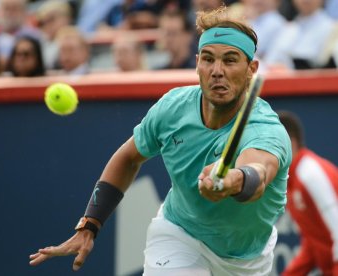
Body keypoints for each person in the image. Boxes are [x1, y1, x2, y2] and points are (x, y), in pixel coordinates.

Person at [29, 6, 292, 275]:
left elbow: (258, 174)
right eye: (209, 59)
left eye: (230, 60)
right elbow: (128, 158)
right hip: (179, 234)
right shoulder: (173, 107)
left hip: (246, 260)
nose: (217, 70)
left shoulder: (265, 129)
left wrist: (232, 180)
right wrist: (89, 225)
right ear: (197, 62)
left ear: (252, 69)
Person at [278, 111, 338, 276]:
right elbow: (314, 241)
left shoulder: (310, 173)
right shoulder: (292, 179)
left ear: (290, 143)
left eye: (273, 144)